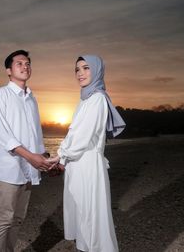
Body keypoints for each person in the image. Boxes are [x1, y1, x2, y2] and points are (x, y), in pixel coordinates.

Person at [48, 55, 126, 252]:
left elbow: (83, 136)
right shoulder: (85, 99)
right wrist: (63, 156)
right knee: (82, 215)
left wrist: (60, 155)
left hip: (88, 164)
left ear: (97, 70)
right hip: (77, 164)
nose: (80, 73)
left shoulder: (98, 98)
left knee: (90, 216)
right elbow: (73, 131)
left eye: (86, 68)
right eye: (77, 69)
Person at [0, 50, 52, 252]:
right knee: (3, 220)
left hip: (28, 170)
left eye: (28, 63)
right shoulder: (0, 94)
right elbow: (2, 133)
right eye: (19, 64)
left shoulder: (32, 98)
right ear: (9, 70)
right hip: (8, 170)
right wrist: (31, 157)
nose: (25, 66)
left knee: (17, 219)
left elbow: (35, 134)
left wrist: (45, 159)